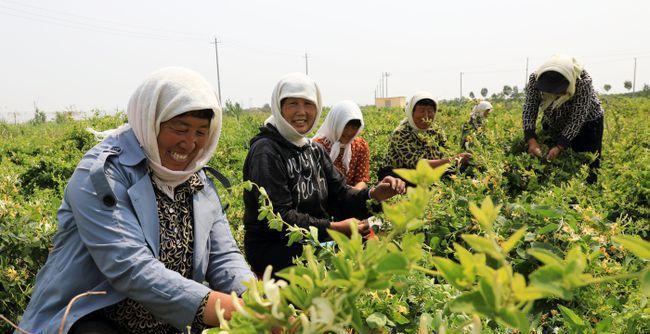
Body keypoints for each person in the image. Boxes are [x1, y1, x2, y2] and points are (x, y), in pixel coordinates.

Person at [17, 67, 255, 334]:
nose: (190, 144)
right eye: (180, 129)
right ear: (151, 121)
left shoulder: (195, 179)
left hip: (169, 325)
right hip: (93, 321)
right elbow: (132, 268)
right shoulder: (102, 174)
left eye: (201, 132)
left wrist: (259, 301)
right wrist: (232, 310)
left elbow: (225, 257)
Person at [242, 73, 406, 275]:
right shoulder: (266, 151)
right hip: (278, 251)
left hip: (315, 241)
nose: (301, 112)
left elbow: (341, 194)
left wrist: (374, 194)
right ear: (279, 107)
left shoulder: (313, 150)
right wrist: (335, 228)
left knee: (377, 259)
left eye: (308, 104)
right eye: (293, 103)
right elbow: (279, 218)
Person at [522, 54, 604, 182]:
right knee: (555, 166)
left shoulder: (582, 81)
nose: (554, 95)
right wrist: (531, 140)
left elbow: (577, 119)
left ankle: (587, 193)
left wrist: (560, 146)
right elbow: (530, 108)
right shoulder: (535, 79)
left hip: (588, 123)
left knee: (587, 166)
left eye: (558, 91)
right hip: (554, 119)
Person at [378, 92, 472, 183]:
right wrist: (454, 159)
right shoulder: (401, 133)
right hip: (400, 173)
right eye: (422, 111)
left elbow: (446, 153)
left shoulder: (436, 130)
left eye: (430, 111)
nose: (426, 116)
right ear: (412, 112)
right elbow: (419, 164)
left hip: (430, 171)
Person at [313, 100, 370, 190]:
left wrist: (354, 193)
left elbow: (362, 178)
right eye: (345, 126)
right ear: (335, 123)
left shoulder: (360, 146)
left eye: (354, 127)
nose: (349, 132)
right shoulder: (318, 147)